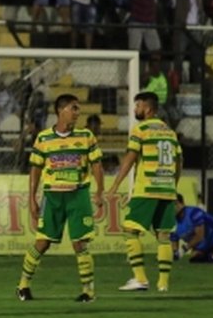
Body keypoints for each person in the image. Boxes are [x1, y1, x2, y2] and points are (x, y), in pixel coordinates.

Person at [15, 94, 105, 303]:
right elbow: (35, 169)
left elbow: (97, 165)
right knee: (42, 243)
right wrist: (31, 199)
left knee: (80, 244)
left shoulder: (86, 136)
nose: (77, 113)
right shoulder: (44, 138)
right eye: (74, 108)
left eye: (78, 109)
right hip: (52, 195)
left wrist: (100, 191)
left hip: (78, 195)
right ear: (61, 110)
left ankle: (88, 291)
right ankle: (23, 285)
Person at [108, 92, 182, 293]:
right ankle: (163, 283)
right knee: (164, 236)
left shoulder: (140, 129)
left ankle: (140, 278)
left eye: (138, 105)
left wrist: (115, 186)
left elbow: (130, 159)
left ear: (148, 108)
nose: (135, 109)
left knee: (130, 231)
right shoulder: (170, 132)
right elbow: (179, 163)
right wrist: (172, 186)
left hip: (146, 188)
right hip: (167, 189)